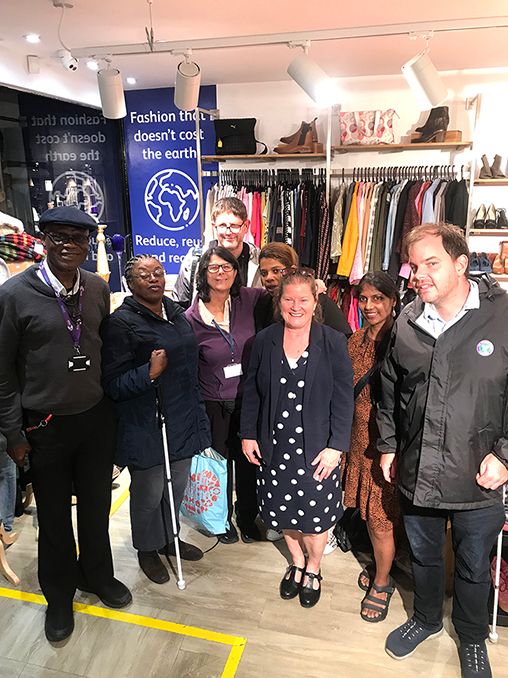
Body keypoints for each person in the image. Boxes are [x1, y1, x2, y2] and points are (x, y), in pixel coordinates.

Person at [377, 223, 508, 677]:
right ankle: (427, 619)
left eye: (430, 264)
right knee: (425, 557)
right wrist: (389, 445)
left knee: (473, 565)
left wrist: (506, 457)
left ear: (459, 263)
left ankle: (471, 637)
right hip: (419, 469)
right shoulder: (408, 322)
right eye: (415, 266)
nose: (419, 275)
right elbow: (389, 390)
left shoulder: (502, 315)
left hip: (479, 475)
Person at [0, 206, 131, 643]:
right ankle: (58, 594)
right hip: (44, 426)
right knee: (53, 518)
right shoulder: (15, 294)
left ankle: (96, 574)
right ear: (43, 240)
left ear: (88, 243)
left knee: (96, 509)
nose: (68, 245)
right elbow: (2, 372)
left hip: (94, 420)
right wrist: (15, 434)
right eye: (59, 236)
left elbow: (104, 349)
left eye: (78, 237)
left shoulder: (96, 288)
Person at [240, 269, 354, 607]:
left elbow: (343, 398)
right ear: (279, 302)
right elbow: (252, 393)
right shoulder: (264, 341)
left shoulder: (332, 341)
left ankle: (314, 567)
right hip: (274, 447)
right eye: (288, 299)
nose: (295, 306)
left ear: (315, 301)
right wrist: (248, 435)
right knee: (281, 513)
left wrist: (337, 447)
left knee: (315, 518)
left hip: (318, 450)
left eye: (303, 299)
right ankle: (298, 562)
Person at [101, 255, 211, 584]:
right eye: (144, 275)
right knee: (148, 493)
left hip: (182, 418)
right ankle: (147, 549)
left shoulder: (176, 312)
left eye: (158, 273)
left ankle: (168, 539)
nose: (153, 279)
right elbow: (112, 384)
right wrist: (147, 374)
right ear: (130, 284)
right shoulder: (121, 323)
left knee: (175, 488)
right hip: (146, 425)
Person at [185, 246, 266, 544]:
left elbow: (282, 289)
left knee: (248, 464)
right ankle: (220, 520)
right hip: (213, 404)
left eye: (227, 267)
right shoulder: (191, 318)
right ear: (203, 273)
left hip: (248, 401)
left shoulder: (249, 299)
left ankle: (246, 517)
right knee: (218, 464)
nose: (221, 273)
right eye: (214, 268)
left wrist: (315, 284)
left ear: (236, 271)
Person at [342, 271, 401, 622]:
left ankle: (382, 581)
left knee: (381, 519)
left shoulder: (405, 339)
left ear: (393, 301)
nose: (369, 306)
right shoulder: (355, 340)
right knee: (368, 514)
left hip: (387, 445)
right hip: (357, 439)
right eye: (363, 298)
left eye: (378, 298)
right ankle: (383, 564)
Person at [174, 197, 262, 306]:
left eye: (234, 226)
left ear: (246, 226)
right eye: (222, 226)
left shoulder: (260, 261)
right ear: (214, 226)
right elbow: (179, 304)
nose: (228, 232)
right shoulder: (195, 259)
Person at [253, 241, 352, 336]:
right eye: (264, 273)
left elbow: (344, 340)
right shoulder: (262, 305)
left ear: (291, 270)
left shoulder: (319, 301)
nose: (268, 278)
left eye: (276, 271)